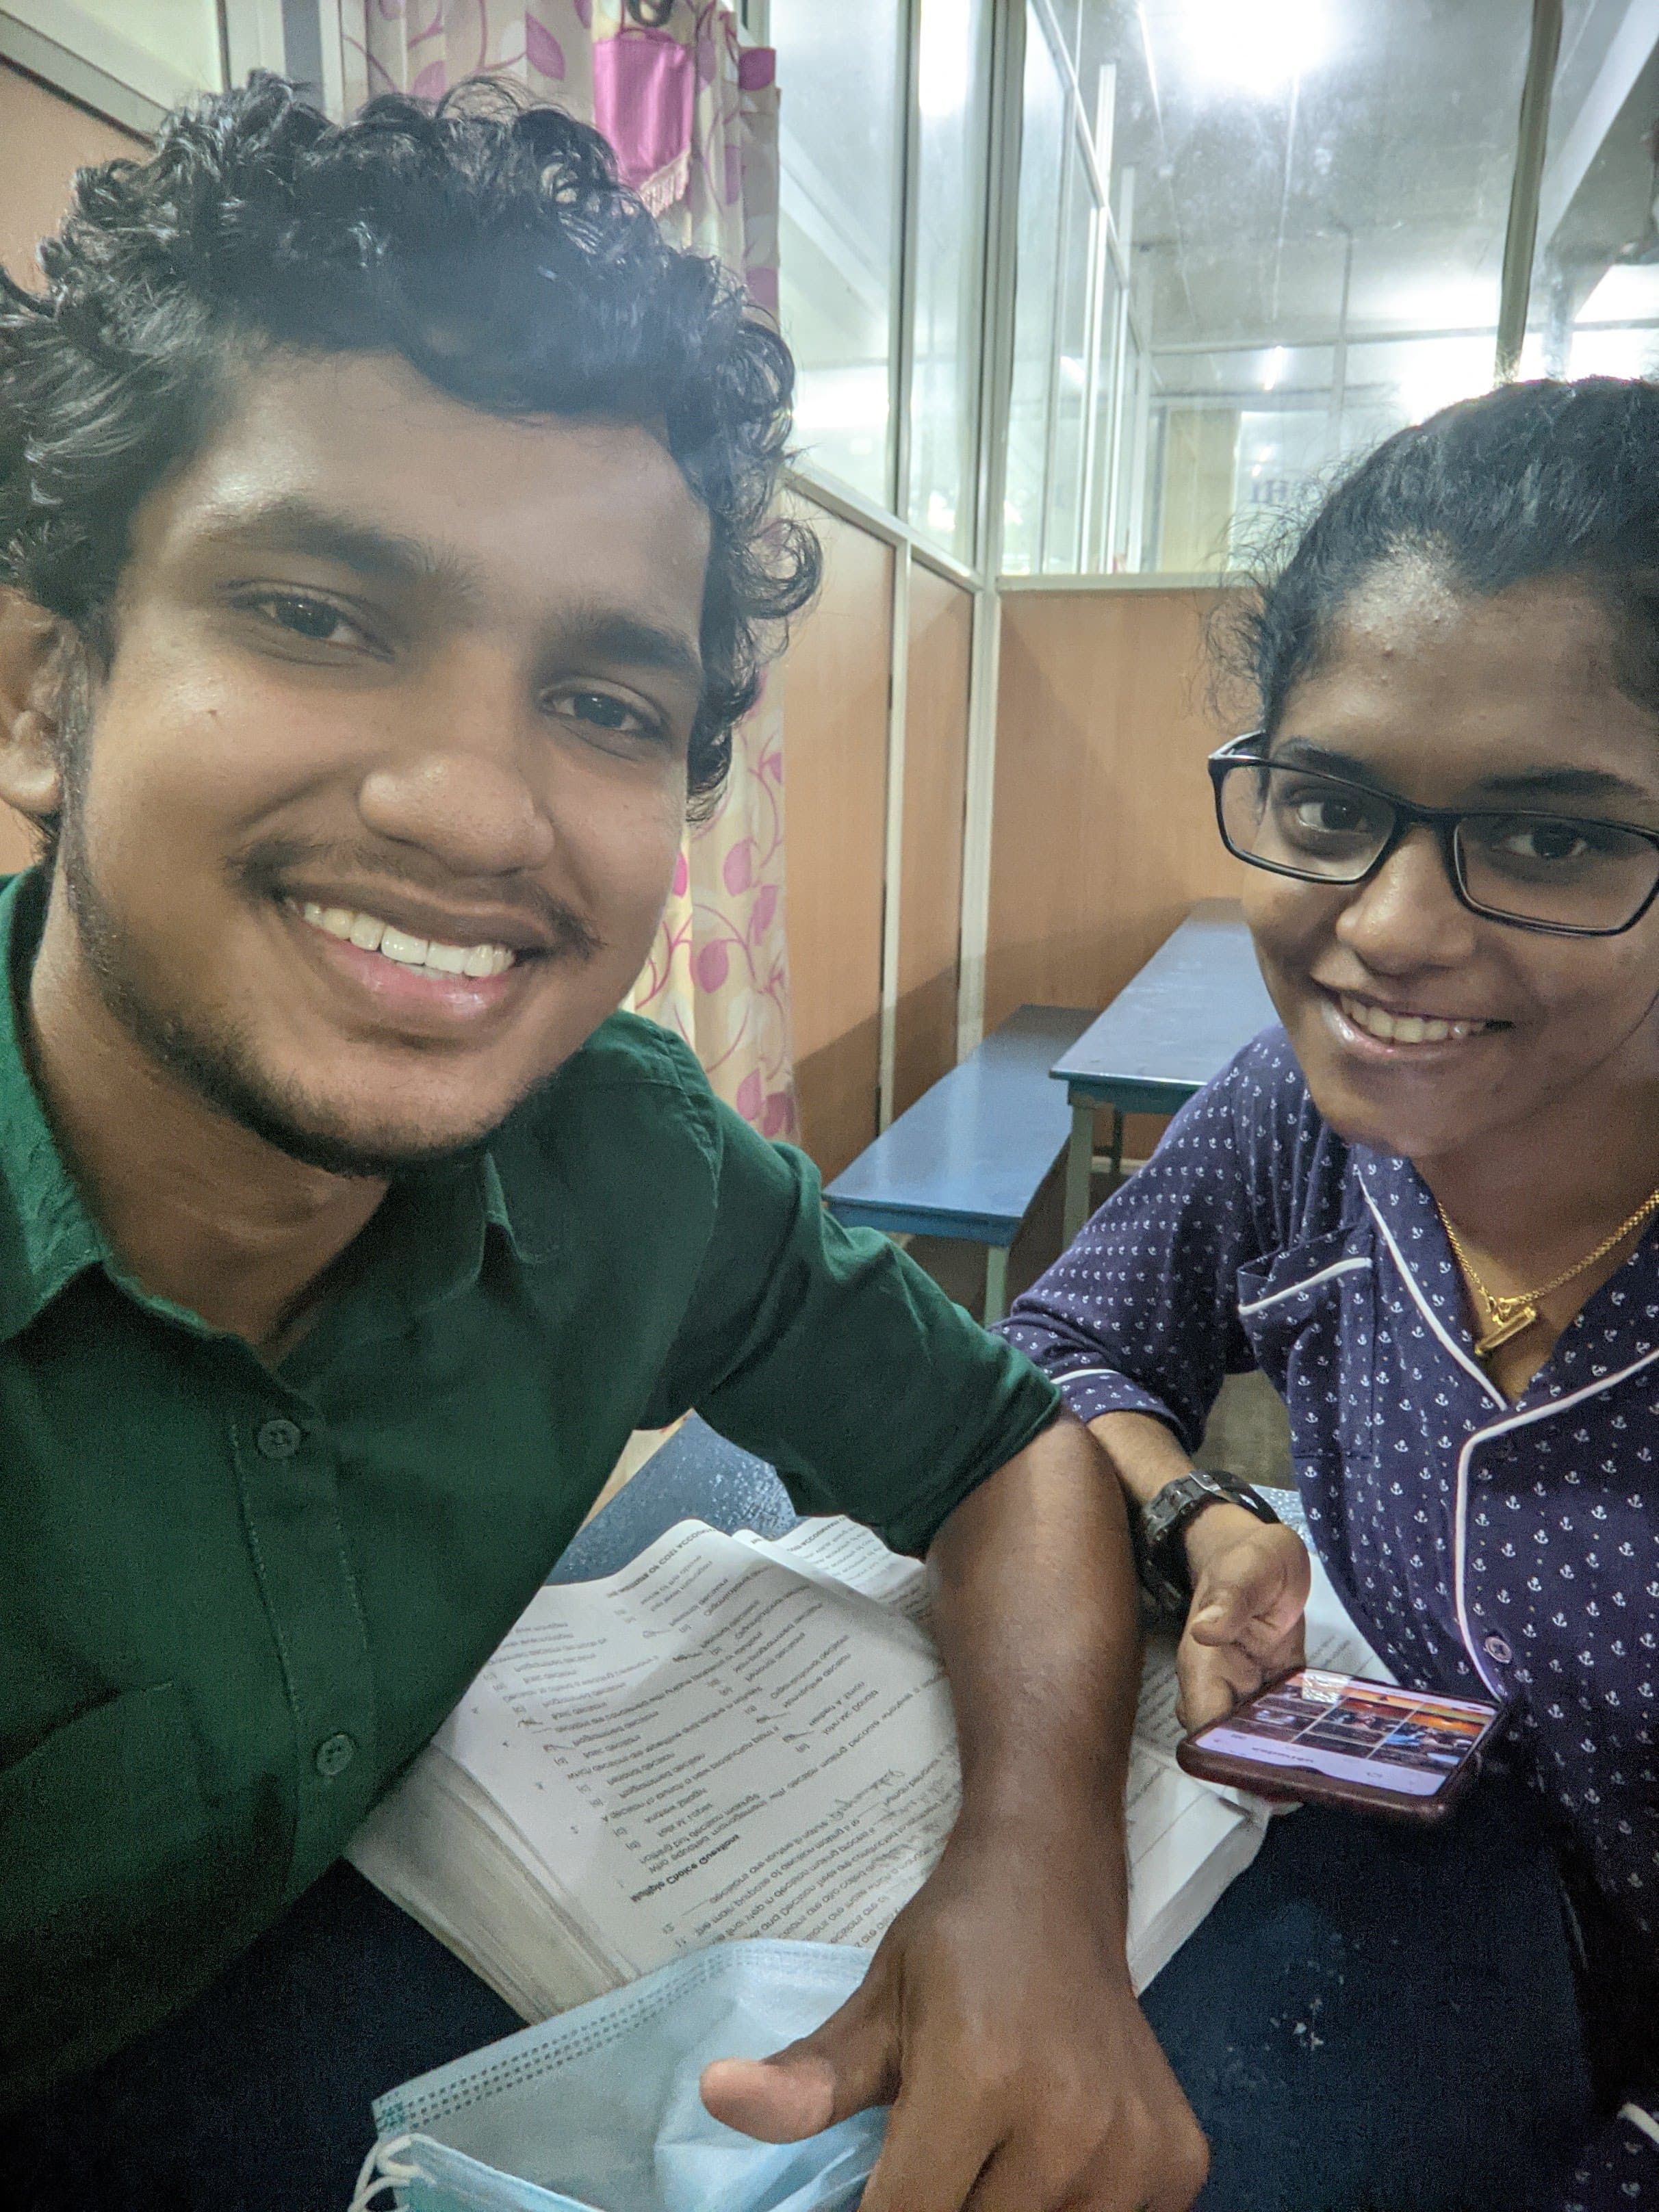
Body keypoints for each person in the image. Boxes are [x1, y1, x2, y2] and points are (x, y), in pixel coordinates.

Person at [0, 77, 1207, 2212]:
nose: (477, 811)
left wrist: (1035, 1879)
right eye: (316, 616)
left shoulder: (620, 1166)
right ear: (44, 689)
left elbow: (1009, 1452)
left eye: (604, 705)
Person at [1003, 374, 1659, 2212]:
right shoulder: (1306, 1124)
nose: (1388, 929)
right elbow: (1062, 1342)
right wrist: (1203, 1516)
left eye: (1551, 837)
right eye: (1329, 804)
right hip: (1436, 1951)